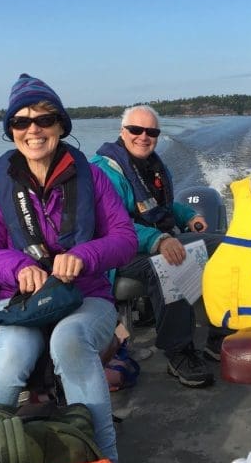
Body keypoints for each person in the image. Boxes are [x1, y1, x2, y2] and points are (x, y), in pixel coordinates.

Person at [0, 73, 137, 462]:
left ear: (61, 125)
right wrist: (16, 266)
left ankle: (104, 462)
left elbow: (124, 239)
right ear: (11, 131)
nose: (33, 130)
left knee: (69, 340)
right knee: (12, 353)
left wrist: (85, 255)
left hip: (86, 297)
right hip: (21, 300)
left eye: (44, 119)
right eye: (21, 122)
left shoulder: (93, 178)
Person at [91, 104, 225, 388]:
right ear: (122, 132)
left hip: (155, 239)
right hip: (118, 252)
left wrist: (188, 216)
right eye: (135, 130)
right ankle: (179, 353)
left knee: (227, 246)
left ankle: (220, 334)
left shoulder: (151, 166)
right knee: (173, 263)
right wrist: (158, 239)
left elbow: (160, 207)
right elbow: (110, 224)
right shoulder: (104, 171)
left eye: (151, 131)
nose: (143, 136)